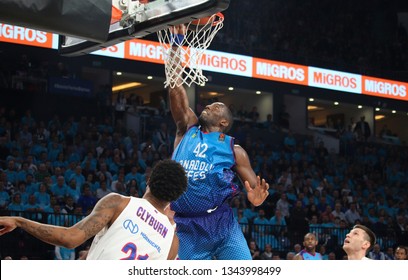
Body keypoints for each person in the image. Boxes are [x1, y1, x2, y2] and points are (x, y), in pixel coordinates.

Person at [167, 24, 269, 260]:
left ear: (224, 122)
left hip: (222, 225)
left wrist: (256, 200)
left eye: (217, 106)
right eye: (210, 104)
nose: (210, 105)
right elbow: (174, 87)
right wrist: (177, 43)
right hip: (186, 227)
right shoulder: (187, 128)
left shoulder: (235, 150)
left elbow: (254, 190)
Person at [0, 159, 187, 260]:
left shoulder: (118, 203)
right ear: (175, 197)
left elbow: (69, 239)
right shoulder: (173, 242)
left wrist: (19, 221)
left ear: (148, 181)